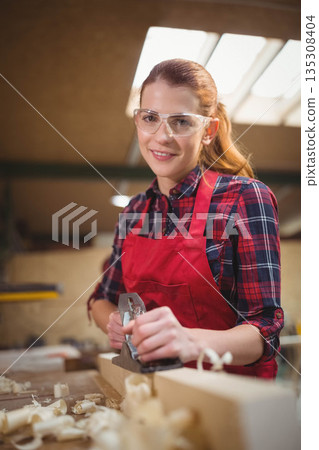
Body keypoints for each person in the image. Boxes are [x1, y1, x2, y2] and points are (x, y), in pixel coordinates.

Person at [88, 59, 283, 378]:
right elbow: (101, 299)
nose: (161, 136)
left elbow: (264, 332)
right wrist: (113, 322)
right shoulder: (134, 212)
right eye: (150, 117)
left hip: (232, 400)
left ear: (208, 130)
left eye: (180, 122)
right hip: (157, 394)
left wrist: (188, 341)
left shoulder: (244, 198)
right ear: (138, 121)